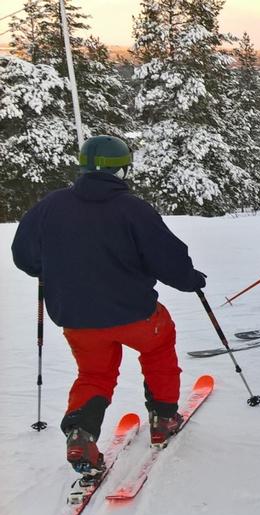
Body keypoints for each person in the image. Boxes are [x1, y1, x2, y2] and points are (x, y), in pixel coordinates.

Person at [11, 135, 206, 478]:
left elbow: (23, 255)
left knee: (94, 373)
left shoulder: (51, 205)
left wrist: (45, 268)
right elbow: (167, 257)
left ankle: (80, 433)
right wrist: (189, 279)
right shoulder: (133, 209)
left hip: (76, 318)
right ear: (122, 169)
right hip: (135, 313)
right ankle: (163, 417)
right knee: (159, 348)